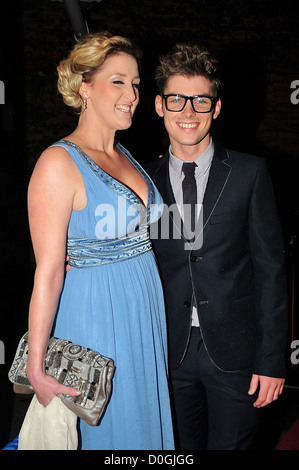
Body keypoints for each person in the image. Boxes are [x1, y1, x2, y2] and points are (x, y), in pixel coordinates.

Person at [24, 32, 174, 450]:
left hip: (143, 312)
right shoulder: (58, 162)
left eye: (136, 83)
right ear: (84, 88)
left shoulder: (126, 155)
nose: (132, 94)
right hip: (98, 317)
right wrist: (36, 367)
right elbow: (50, 271)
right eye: (118, 81)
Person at [146, 43, 288, 450]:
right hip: (168, 353)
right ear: (160, 105)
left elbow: (271, 271)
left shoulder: (249, 172)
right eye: (176, 99)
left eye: (200, 100)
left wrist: (271, 359)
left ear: (217, 107)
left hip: (236, 354)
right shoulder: (141, 179)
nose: (188, 112)